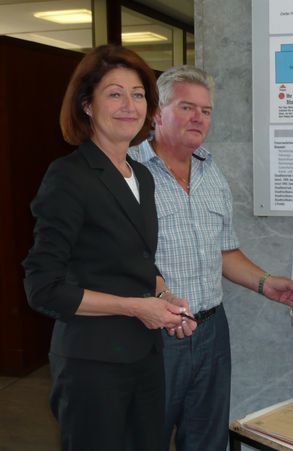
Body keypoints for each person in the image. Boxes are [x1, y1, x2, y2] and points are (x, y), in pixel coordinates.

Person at [22, 45, 196, 451]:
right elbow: (43, 288)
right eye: (114, 94)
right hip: (92, 364)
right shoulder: (68, 176)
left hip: (145, 356)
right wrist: (138, 307)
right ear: (87, 104)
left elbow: (137, 263)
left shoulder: (142, 175)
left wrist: (166, 299)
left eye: (137, 94)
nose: (128, 105)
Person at [129, 65, 293, 451]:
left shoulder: (212, 173)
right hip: (153, 336)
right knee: (144, 438)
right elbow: (115, 260)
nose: (198, 118)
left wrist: (265, 282)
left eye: (206, 111)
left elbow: (223, 250)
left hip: (211, 331)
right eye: (187, 107)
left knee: (208, 442)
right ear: (157, 112)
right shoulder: (126, 171)